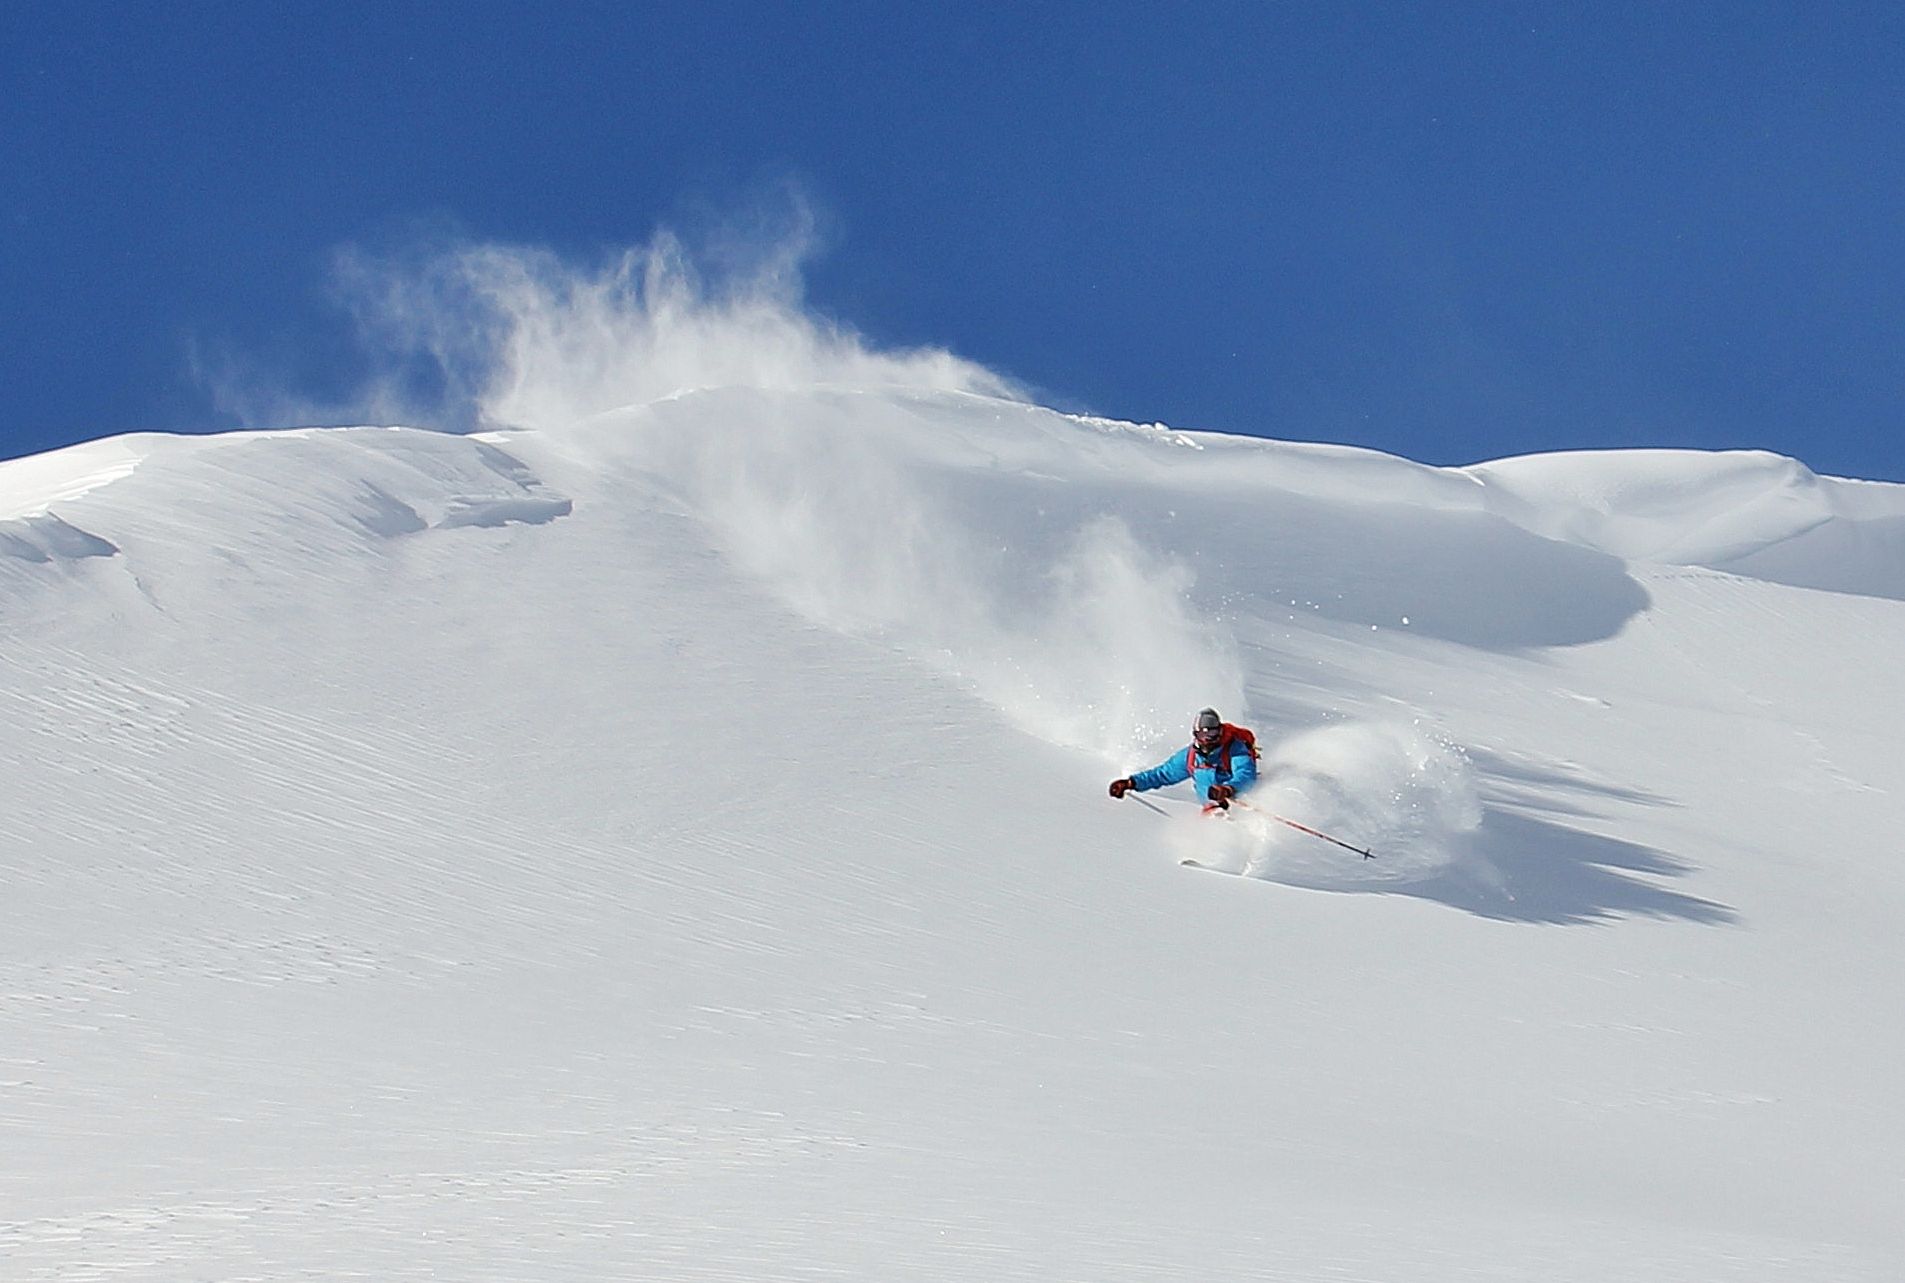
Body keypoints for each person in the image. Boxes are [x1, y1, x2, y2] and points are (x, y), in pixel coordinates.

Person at [1110, 708, 1260, 809]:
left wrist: (1228, 789)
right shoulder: (1191, 757)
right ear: (1195, 735)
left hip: (1240, 806)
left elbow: (1245, 774)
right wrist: (1131, 782)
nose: (1208, 740)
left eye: (1212, 735)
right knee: (1208, 828)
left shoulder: (1235, 748)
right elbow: (1162, 774)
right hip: (1213, 811)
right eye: (1203, 735)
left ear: (1220, 732)